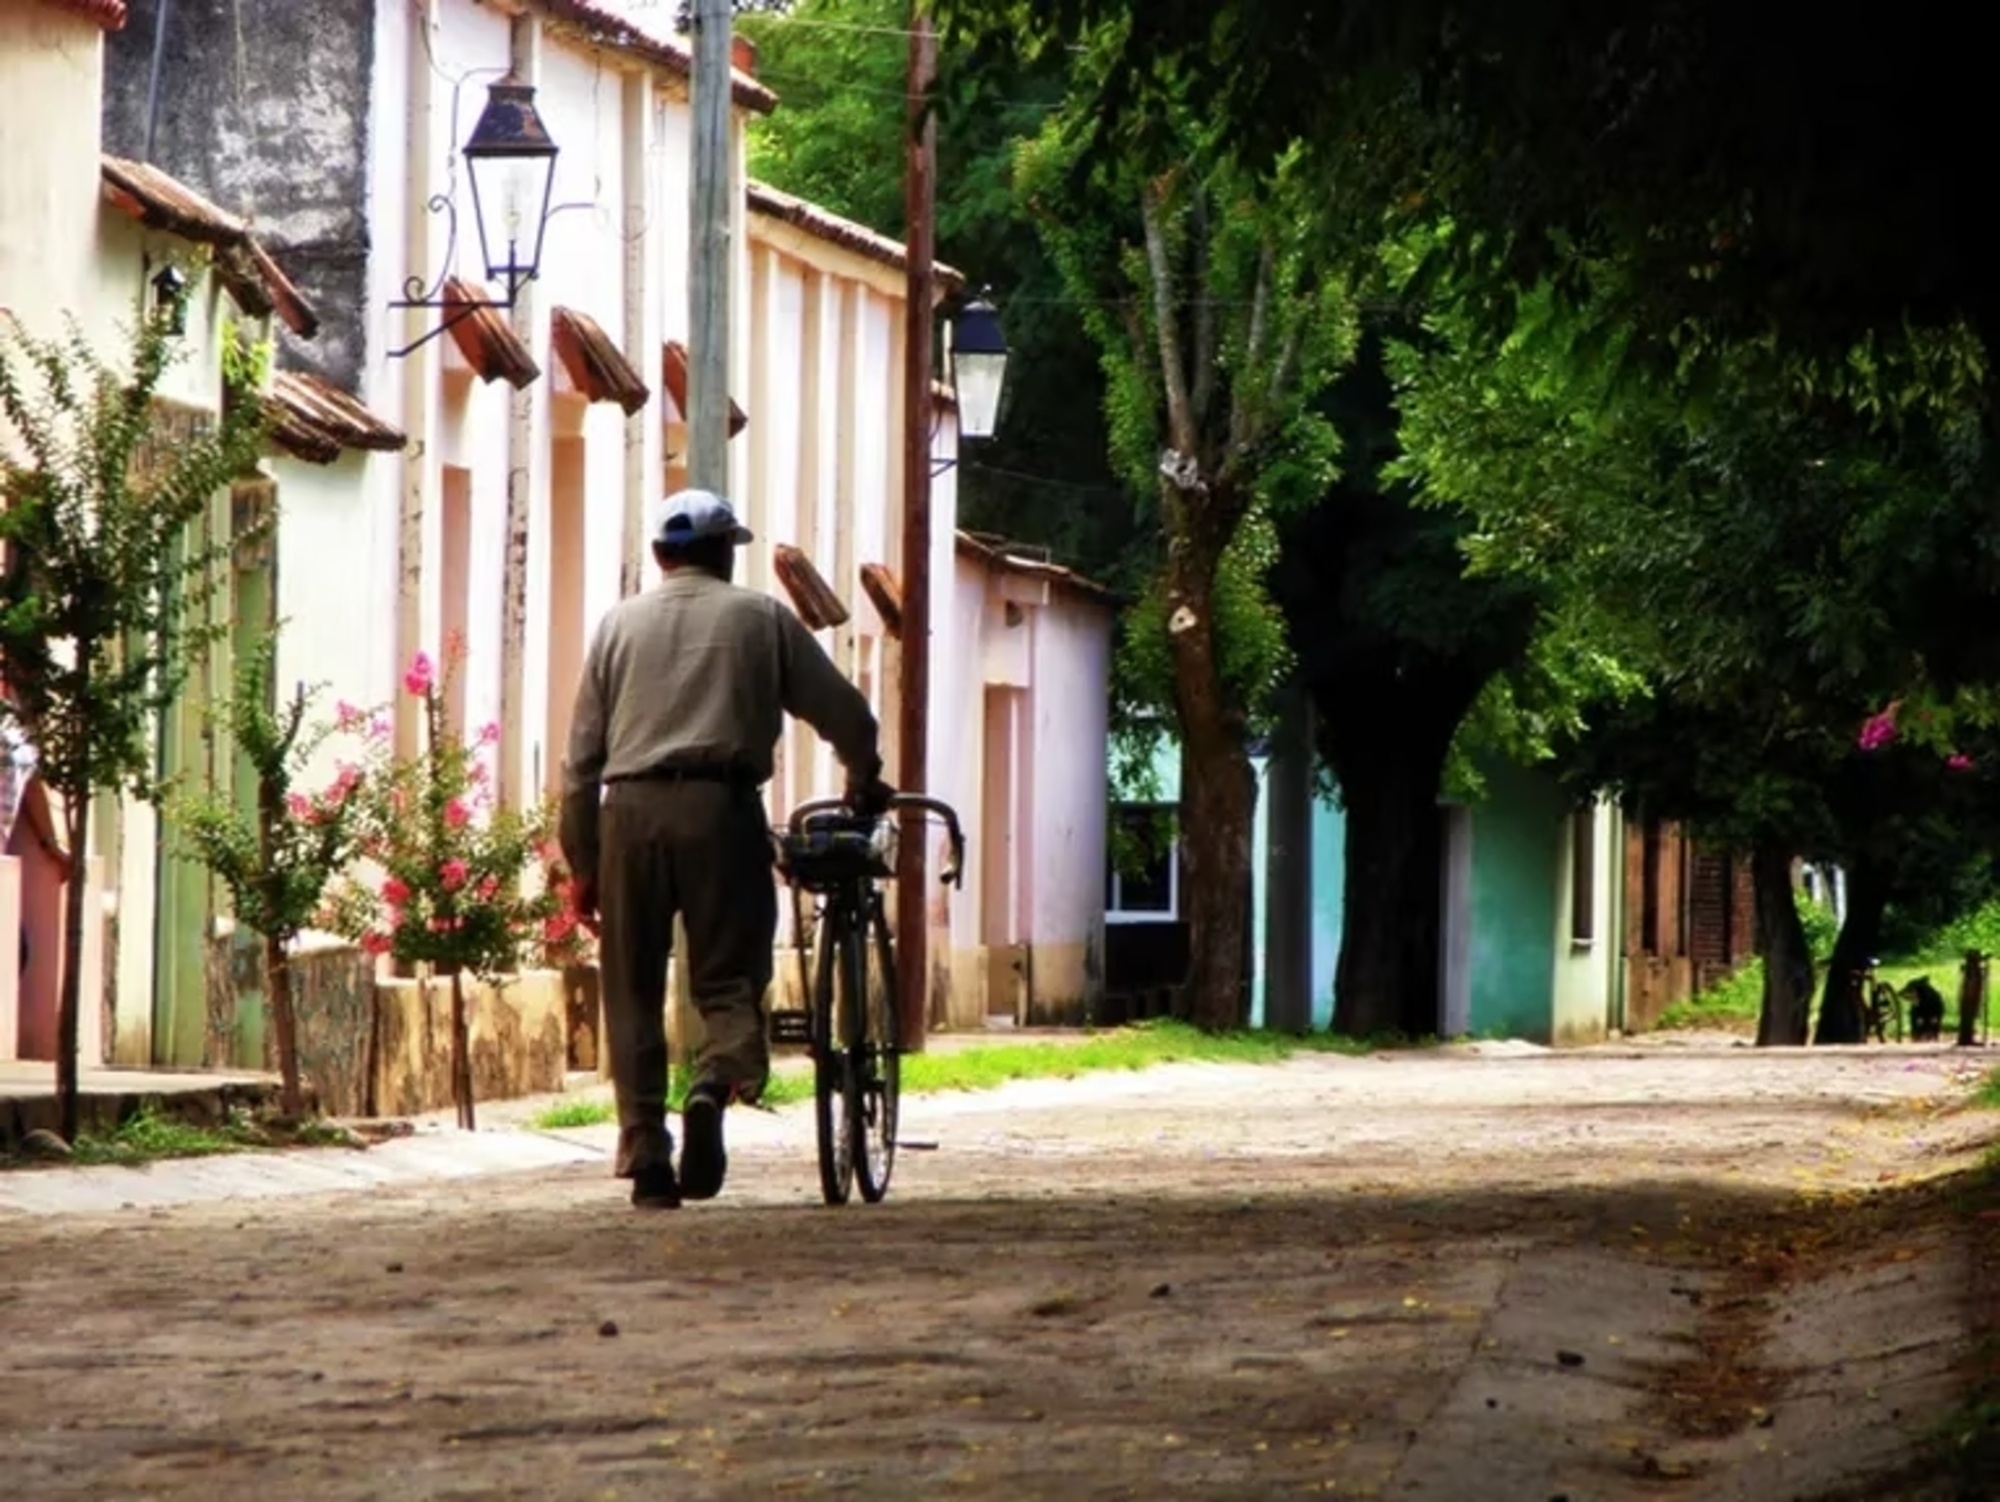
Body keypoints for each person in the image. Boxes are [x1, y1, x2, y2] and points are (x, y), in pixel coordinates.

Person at [560, 488, 890, 1210]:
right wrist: (864, 778)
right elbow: (847, 716)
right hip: (721, 810)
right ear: (726, 553)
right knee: (729, 982)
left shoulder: (617, 627)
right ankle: (713, 1083)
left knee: (633, 989)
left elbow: (580, 759)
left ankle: (647, 1157)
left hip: (629, 813)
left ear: (659, 554)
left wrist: (583, 864)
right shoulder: (761, 618)